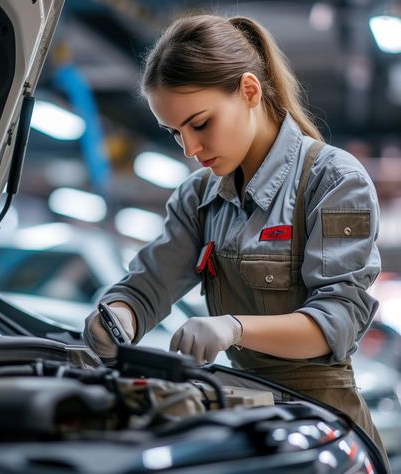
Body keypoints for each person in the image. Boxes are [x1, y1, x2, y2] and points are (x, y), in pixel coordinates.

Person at [83, 13, 389, 469]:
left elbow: (337, 322)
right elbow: (146, 288)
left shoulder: (334, 179)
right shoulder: (199, 196)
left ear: (249, 91)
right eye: (175, 133)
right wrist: (116, 319)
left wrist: (234, 328)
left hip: (323, 432)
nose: (189, 148)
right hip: (246, 421)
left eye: (200, 124)